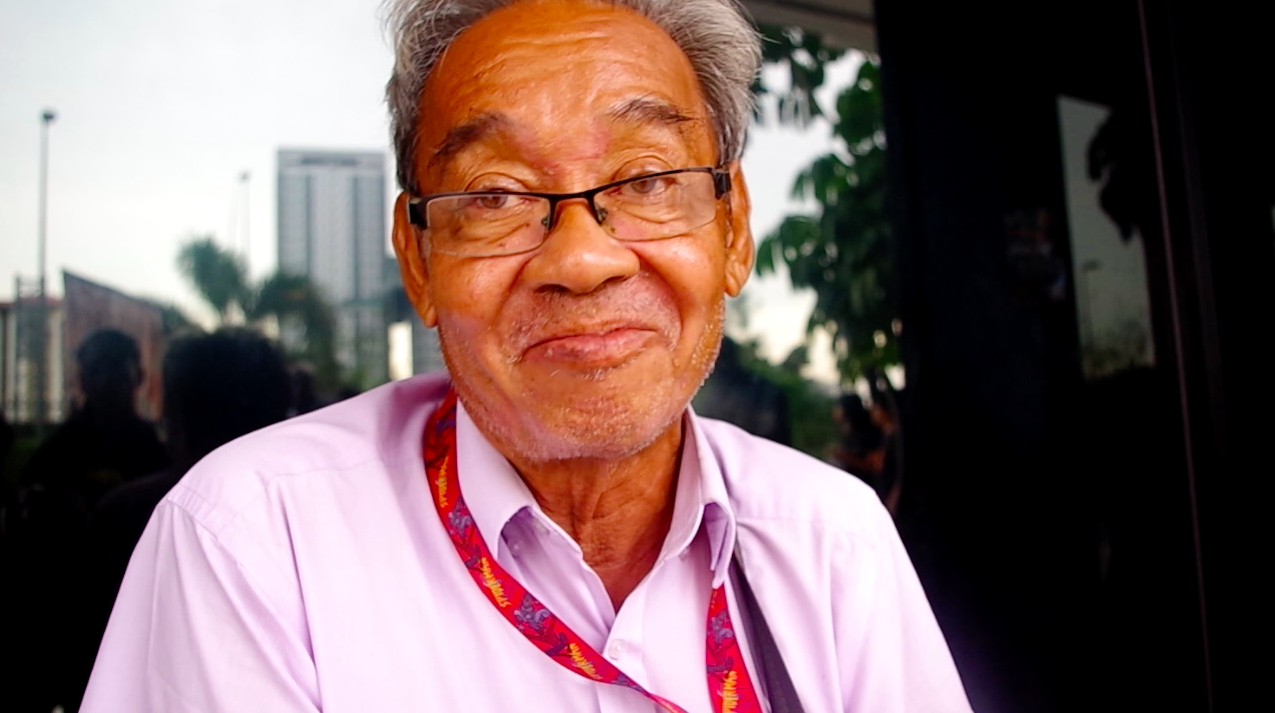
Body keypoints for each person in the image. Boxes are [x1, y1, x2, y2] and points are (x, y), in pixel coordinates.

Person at [83, 2, 971, 711]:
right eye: (496, 194)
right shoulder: (256, 543)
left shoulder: (831, 544)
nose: (581, 260)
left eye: (646, 179)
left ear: (732, 230)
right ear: (418, 259)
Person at [62, 329, 292, 710]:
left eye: (116, 372)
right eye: (99, 371)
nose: (107, 385)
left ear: (177, 418)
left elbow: (81, 656)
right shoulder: (311, 529)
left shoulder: (125, 513)